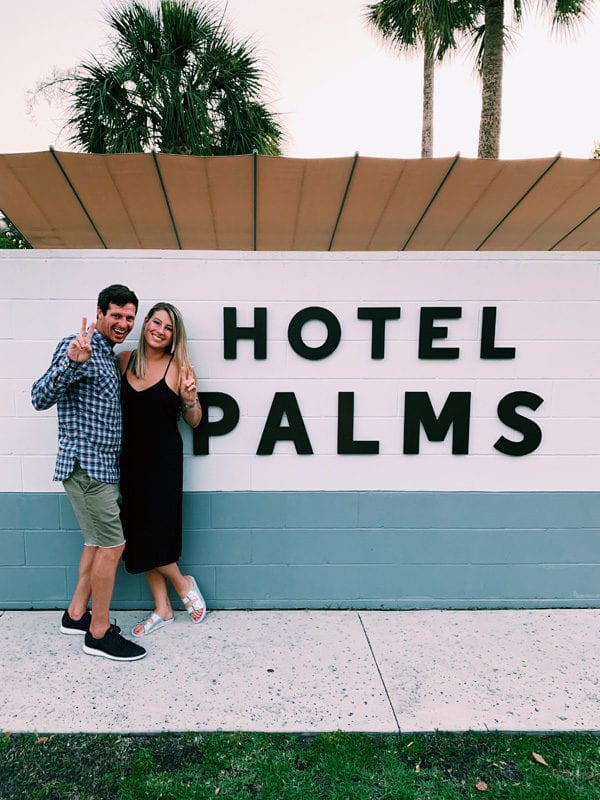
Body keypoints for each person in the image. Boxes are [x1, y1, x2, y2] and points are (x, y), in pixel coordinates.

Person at [31, 285, 146, 662]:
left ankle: (76, 615)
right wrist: (72, 362)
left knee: (97, 544)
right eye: (116, 315)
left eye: (129, 317)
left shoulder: (109, 357)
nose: (124, 323)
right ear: (99, 313)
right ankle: (98, 632)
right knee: (113, 547)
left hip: (101, 469)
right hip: (86, 468)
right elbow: (39, 397)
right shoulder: (79, 346)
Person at [117, 302, 206, 637]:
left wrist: (189, 398)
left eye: (168, 327)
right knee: (136, 536)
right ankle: (165, 606)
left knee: (155, 533)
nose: (160, 330)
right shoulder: (123, 361)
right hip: (127, 461)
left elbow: (194, 421)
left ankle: (181, 588)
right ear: (145, 325)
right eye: (156, 322)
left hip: (164, 462)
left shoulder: (179, 367)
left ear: (173, 336)